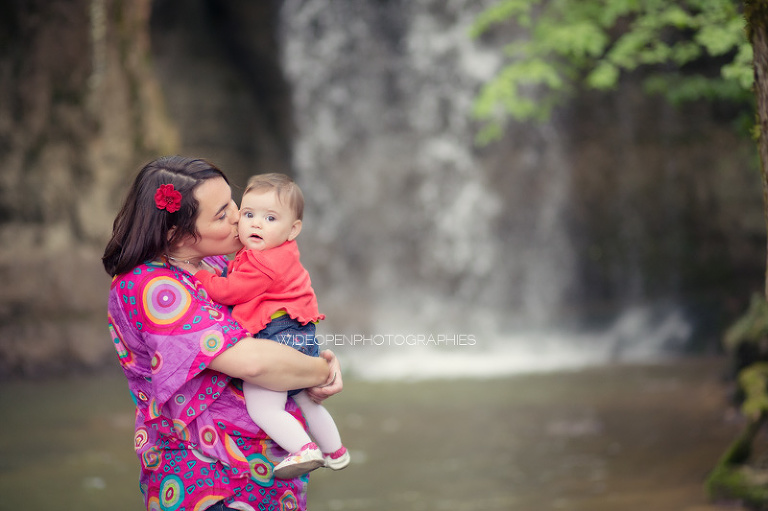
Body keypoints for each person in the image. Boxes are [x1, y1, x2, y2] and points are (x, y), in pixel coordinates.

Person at [102, 156, 342, 511]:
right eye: (220, 215)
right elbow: (253, 363)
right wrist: (321, 371)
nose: (239, 217)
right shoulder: (152, 288)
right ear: (175, 232)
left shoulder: (214, 262)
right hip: (205, 477)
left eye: (233, 202)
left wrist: (302, 365)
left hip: (260, 470)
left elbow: (276, 320)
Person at [174, 173, 349, 480]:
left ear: (293, 230)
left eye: (270, 218)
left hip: (276, 336)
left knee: (265, 408)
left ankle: (303, 448)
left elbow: (230, 291)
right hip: (297, 333)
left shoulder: (263, 262)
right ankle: (336, 452)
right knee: (306, 399)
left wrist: (200, 276)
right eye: (249, 214)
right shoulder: (273, 252)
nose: (255, 224)